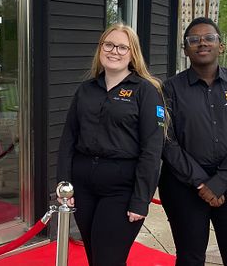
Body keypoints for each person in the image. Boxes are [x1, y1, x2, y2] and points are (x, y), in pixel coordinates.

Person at [57, 23, 166, 266]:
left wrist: (141, 199)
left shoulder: (146, 92)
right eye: (108, 44)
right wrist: (64, 183)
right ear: (100, 49)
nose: (114, 51)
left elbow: (152, 149)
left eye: (122, 47)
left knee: (109, 259)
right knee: (96, 257)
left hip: (122, 189)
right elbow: (68, 140)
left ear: (132, 54)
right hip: (84, 186)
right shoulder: (86, 90)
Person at [159, 17, 227, 266]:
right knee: (190, 259)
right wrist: (201, 182)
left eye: (209, 38)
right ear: (185, 49)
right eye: (193, 40)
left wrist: (220, 182)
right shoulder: (169, 89)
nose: (201, 43)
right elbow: (166, 141)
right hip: (183, 187)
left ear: (221, 46)